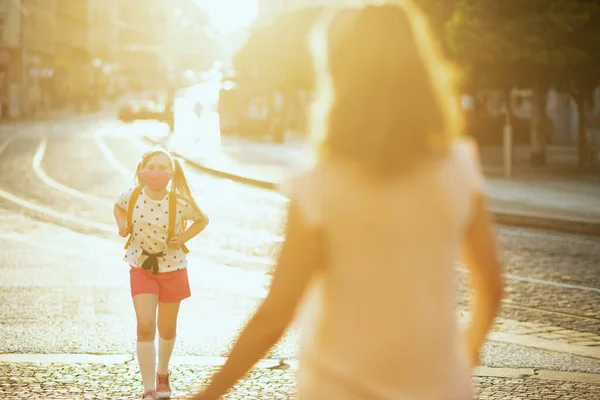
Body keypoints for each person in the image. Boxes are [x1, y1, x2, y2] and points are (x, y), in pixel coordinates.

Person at [186, 2, 504, 399]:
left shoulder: (318, 184)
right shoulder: (458, 166)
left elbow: (276, 315)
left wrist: (204, 395)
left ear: (339, 74)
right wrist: (466, 352)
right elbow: (491, 284)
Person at [114, 148, 209, 400]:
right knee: (145, 325)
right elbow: (118, 206)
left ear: (171, 173)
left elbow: (202, 219)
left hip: (173, 268)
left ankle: (163, 373)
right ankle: (148, 388)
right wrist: (121, 225)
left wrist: (183, 237)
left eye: (162, 167)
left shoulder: (179, 202)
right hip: (141, 267)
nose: (156, 172)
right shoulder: (132, 196)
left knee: (166, 327)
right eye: (151, 166)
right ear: (142, 170)